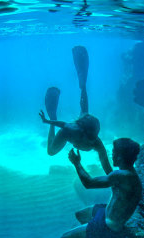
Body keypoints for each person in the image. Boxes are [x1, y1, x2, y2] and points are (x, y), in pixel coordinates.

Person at [60, 138, 142, 238]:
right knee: (80, 215)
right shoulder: (127, 173)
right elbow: (110, 173)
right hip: (108, 213)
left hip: (108, 226)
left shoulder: (123, 176)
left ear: (119, 157)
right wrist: (100, 149)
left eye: (113, 152)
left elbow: (89, 183)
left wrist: (77, 163)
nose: (112, 154)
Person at [39, 46, 112, 175]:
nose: (94, 138)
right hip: (69, 133)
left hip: (79, 128)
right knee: (50, 151)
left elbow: (106, 166)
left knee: (84, 110)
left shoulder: (96, 142)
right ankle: (54, 114)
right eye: (92, 136)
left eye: (94, 136)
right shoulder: (74, 130)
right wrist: (48, 121)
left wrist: (114, 181)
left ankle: (82, 84)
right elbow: (62, 125)